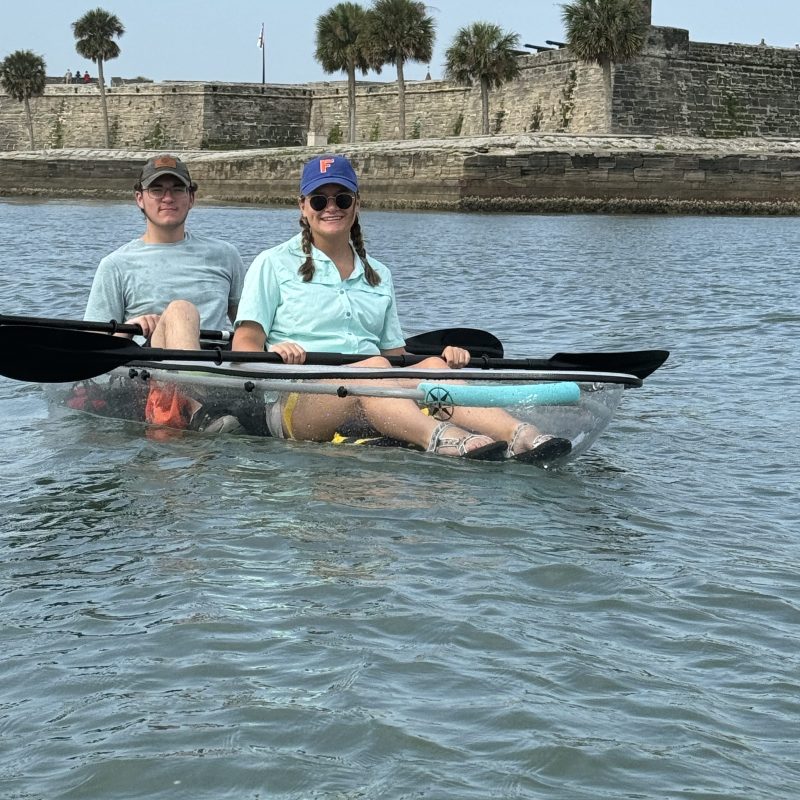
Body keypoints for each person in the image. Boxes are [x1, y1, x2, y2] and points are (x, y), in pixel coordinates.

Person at [232, 154, 571, 463]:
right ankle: (439, 438)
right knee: (376, 367)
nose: (330, 208)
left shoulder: (379, 275)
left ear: (356, 205)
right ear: (303, 207)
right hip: (296, 400)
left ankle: (519, 435)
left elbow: (397, 358)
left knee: (433, 366)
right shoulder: (271, 264)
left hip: (373, 390)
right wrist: (274, 351)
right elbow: (243, 348)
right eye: (319, 200)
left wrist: (444, 359)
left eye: (342, 199)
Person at [83, 155, 247, 432]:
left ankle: (202, 408)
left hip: (214, 361)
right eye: (157, 190)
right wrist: (130, 328)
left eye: (177, 189)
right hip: (148, 369)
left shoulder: (226, 255)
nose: (167, 198)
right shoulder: (115, 265)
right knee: (181, 309)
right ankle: (200, 407)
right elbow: (93, 350)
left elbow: (248, 325)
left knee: (182, 313)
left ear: (191, 198)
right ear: (140, 198)